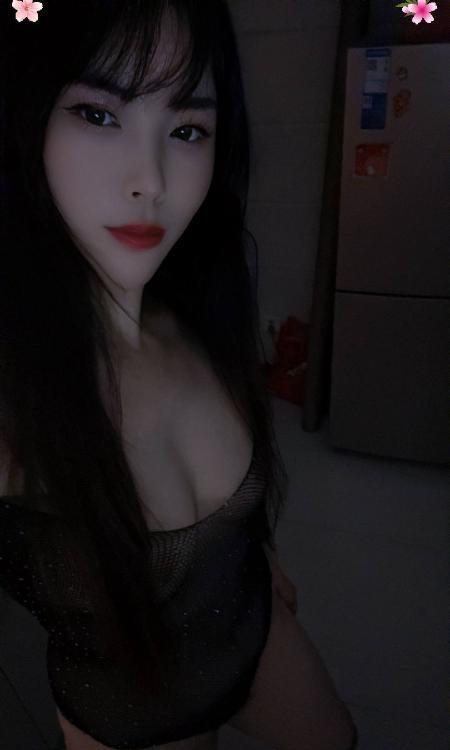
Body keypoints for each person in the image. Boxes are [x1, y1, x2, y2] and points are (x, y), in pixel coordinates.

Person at [0, 1, 357, 749]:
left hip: (253, 623)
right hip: (139, 712)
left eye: (188, 129)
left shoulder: (195, 305)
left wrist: (256, 553)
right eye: (98, 114)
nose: (151, 181)